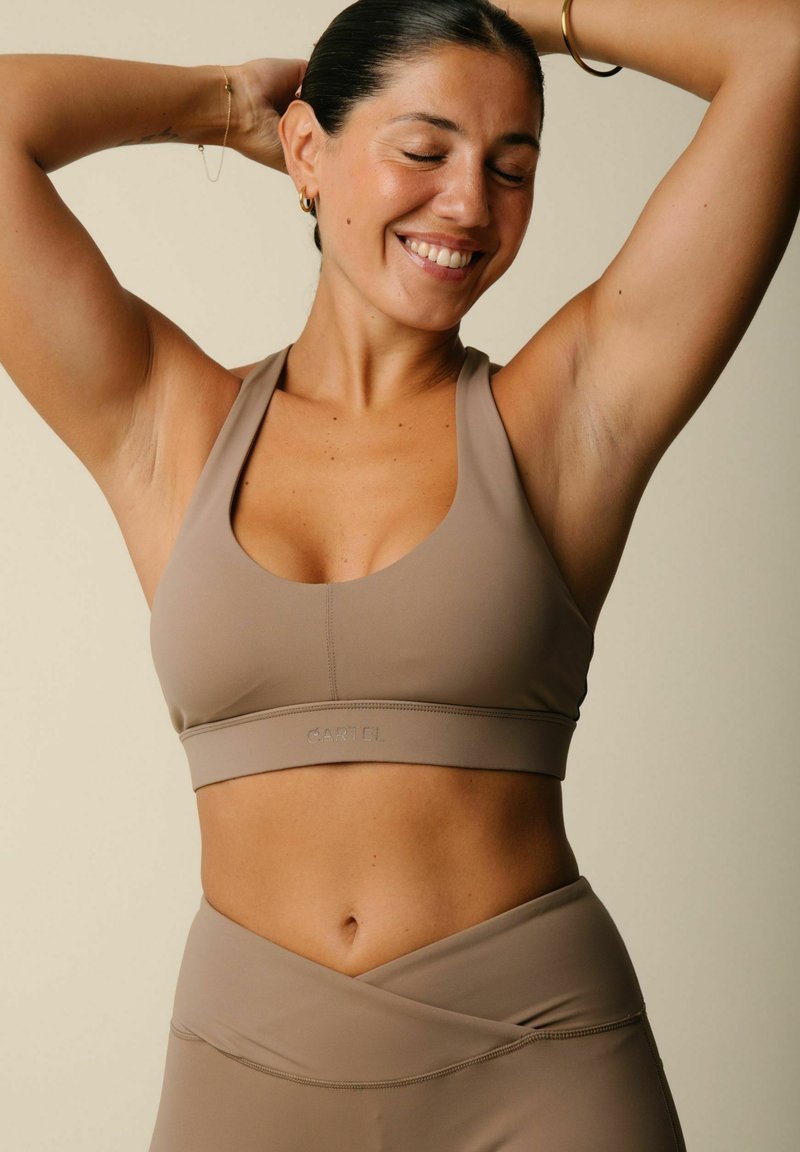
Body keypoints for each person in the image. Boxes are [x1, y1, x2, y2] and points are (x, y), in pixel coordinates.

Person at [1, 0, 797, 1148]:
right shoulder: (166, 426)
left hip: (540, 1055)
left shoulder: (565, 418)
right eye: (424, 150)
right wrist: (221, 104)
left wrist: (531, 16)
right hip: (246, 1062)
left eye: (510, 168)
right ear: (308, 152)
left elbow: (778, 51)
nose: (468, 204)